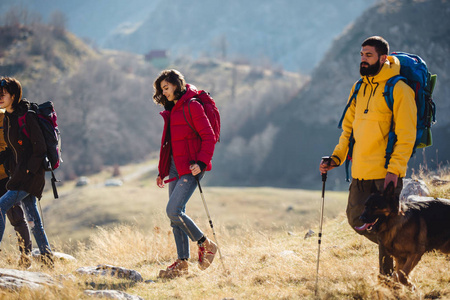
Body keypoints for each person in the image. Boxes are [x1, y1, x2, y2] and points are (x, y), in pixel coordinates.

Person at [319, 36, 417, 276]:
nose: (363, 60)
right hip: (360, 171)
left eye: (368, 56)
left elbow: (407, 136)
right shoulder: (359, 87)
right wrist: (336, 158)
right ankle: (405, 246)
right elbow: (348, 130)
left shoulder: (399, 89)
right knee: (356, 219)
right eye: (362, 55)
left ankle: (388, 281)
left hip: (385, 174)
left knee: (385, 226)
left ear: (383, 58)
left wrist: (394, 170)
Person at [153, 69, 217, 278]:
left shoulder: (192, 105)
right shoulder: (172, 110)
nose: (164, 93)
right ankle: (182, 263)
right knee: (175, 218)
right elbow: (169, 145)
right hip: (174, 167)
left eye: (166, 88)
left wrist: (201, 162)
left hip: (191, 167)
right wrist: (163, 171)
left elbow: (208, 136)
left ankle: (205, 244)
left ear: (176, 85)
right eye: (161, 90)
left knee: (173, 210)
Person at [0, 77, 53, 267]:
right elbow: (10, 150)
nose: (0, 97)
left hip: (30, 176)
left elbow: (39, 149)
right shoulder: (8, 118)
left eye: (3, 94)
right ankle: (48, 261)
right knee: (33, 221)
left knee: (1, 206)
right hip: (19, 175)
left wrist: (29, 171)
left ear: (13, 96)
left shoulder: (27, 116)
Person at [0, 109, 33, 268]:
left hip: (5, 177)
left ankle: (26, 258)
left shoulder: (2, 116)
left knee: (17, 218)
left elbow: (8, 145)